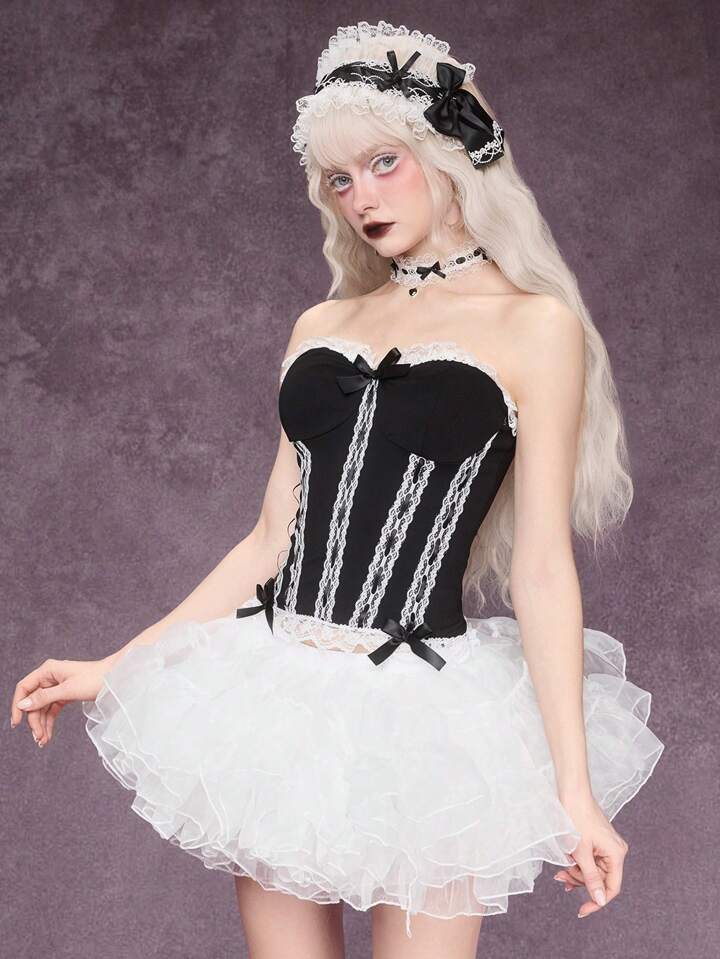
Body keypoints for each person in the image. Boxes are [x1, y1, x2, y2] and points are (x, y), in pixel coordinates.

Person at [9, 19, 665, 959]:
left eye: (383, 162)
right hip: (280, 701)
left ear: (450, 157)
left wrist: (576, 792)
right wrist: (117, 664)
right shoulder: (321, 324)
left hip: (431, 720)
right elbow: (268, 538)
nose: (361, 196)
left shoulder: (535, 328)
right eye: (339, 179)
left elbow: (544, 571)